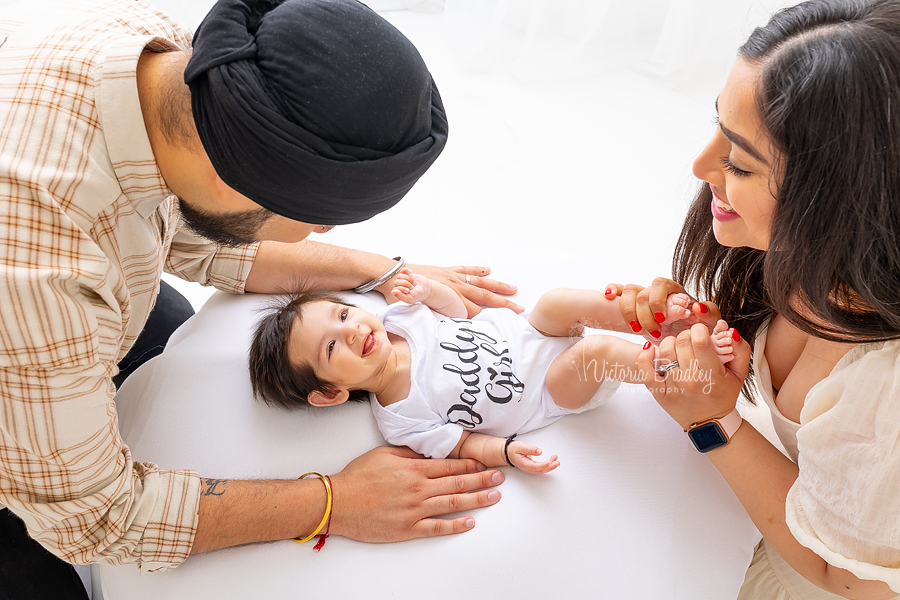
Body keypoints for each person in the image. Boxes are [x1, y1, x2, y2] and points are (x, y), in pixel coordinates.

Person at [0, 0, 522, 597]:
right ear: (233, 177)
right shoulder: (47, 276)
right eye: (319, 220)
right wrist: (332, 501)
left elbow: (196, 233)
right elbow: (97, 519)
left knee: (164, 326)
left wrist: (381, 272)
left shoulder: (160, 57)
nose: (323, 235)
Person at [607, 0, 900, 597]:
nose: (699, 165)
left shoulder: (885, 389)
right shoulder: (804, 257)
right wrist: (708, 332)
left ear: (841, 197)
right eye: (718, 126)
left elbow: (850, 579)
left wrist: (710, 420)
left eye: (739, 160)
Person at [248, 269, 737, 473]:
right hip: (548, 388)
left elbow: (455, 310)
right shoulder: (400, 418)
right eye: (333, 347)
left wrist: (426, 292)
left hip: (528, 333)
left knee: (557, 302)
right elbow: (462, 444)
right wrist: (505, 452)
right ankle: (682, 364)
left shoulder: (400, 320)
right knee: (601, 353)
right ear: (331, 392)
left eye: (341, 314)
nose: (352, 330)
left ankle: (658, 319)